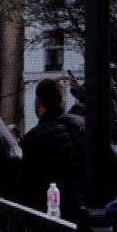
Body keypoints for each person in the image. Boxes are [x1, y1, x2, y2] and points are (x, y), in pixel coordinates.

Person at [18, 77, 87, 220]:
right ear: (62, 100)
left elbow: (28, 185)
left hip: (54, 214)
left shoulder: (33, 138)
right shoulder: (83, 126)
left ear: (38, 102)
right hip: (85, 209)